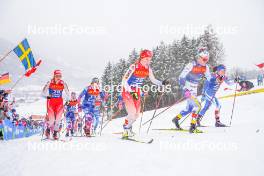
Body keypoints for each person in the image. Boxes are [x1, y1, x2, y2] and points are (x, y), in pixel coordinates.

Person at [121, 49, 169, 138]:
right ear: (142, 58)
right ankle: (126, 129)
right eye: (147, 59)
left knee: (136, 115)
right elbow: (124, 80)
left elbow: (153, 80)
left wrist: (162, 83)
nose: (148, 61)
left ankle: (128, 127)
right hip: (127, 90)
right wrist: (131, 91)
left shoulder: (148, 69)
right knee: (132, 112)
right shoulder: (134, 66)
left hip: (137, 91)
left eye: (150, 59)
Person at [172, 47, 211, 133]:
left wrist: (210, 86)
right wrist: (185, 89)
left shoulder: (206, 67)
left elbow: (209, 79)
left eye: (207, 59)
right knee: (198, 106)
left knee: (189, 108)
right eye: (204, 59)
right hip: (187, 88)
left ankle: (176, 119)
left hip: (195, 88)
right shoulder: (191, 65)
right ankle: (193, 126)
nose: (205, 61)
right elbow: (181, 77)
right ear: (199, 58)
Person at [42, 70, 70, 140]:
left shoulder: (62, 83)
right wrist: (48, 97)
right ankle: (48, 129)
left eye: (60, 76)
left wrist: (68, 100)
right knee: (52, 120)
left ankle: (55, 132)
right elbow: (43, 93)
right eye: (57, 76)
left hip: (59, 103)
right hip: (51, 103)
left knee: (58, 119)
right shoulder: (50, 82)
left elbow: (68, 93)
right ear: (54, 76)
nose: (58, 78)